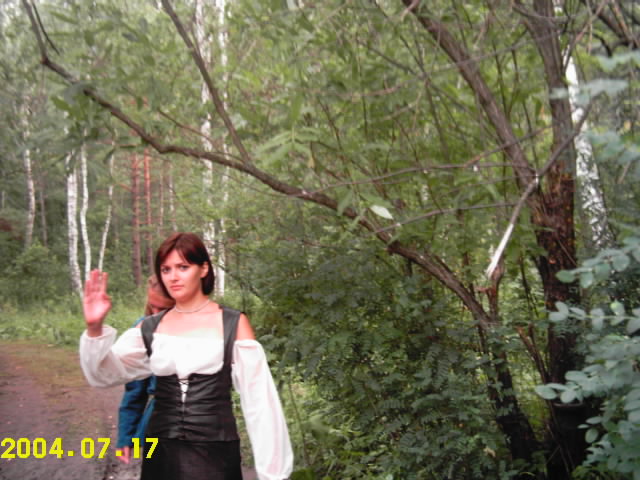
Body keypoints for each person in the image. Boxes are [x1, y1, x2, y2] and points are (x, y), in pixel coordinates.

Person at [79, 232, 293, 480]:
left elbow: (261, 405)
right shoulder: (150, 328)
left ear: (203, 269)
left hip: (215, 456)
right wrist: (94, 328)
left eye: (183, 267)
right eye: (166, 269)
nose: (173, 277)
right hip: (160, 453)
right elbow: (103, 375)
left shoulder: (233, 323)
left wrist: (274, 475)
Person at [116, 275, 175, 465]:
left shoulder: (206, 327)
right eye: (152, 306)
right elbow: (135, 390)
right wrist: (126, 438)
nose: (155, 315)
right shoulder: (142, 331)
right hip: (160, 421)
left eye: (163, 309)